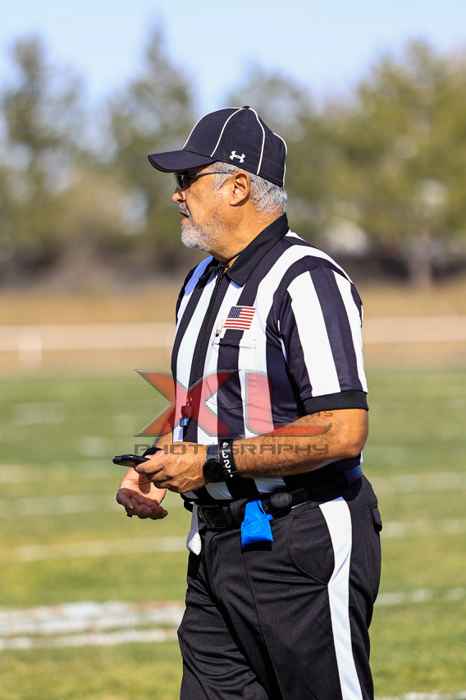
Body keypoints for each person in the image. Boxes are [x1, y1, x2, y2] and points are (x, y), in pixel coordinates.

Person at [116, 106, 382, 700]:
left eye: (188, 180)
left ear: (237, 186)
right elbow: (205, 405)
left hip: (300, 541)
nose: (176, 195)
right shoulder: (199, 282)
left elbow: (342, 430)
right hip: (214, 548)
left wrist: (213, 463)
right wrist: (161, 460)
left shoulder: (307, 279)